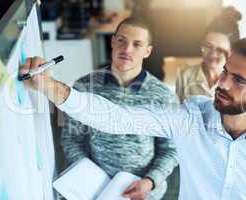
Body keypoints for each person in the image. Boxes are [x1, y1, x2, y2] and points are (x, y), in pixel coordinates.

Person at [21, 37, 246, 199]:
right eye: (225, 72)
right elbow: (116, 118)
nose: (223, 84)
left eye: (239, 81)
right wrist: (50, 86)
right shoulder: (190, 117)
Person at [60, 17, 177, 200]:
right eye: (122, 40)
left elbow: (171, 150)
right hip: (93, 189)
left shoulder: (162, 95)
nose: (127, 49)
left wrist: (150, 181)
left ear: (148, 51)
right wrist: (90, 176)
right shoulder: (84, 86)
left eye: (137, 44)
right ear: (113, 41)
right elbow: (71, 139)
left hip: (143, 191)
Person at [176, 6, 242, 102]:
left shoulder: (238, 81)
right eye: (208, 46)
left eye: (219, 50)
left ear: (232, 51)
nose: (212, 54)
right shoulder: (185, 76)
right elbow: (177, 113)